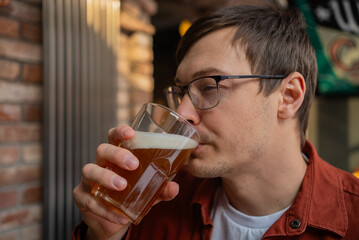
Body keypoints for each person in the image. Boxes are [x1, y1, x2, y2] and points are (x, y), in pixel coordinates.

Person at [72, 4, 359, 240]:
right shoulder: (154, 199)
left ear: (288, 96)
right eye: (181, 91)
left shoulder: (352, 217)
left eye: (209, 86)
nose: (183, 113)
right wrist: (105, 235)